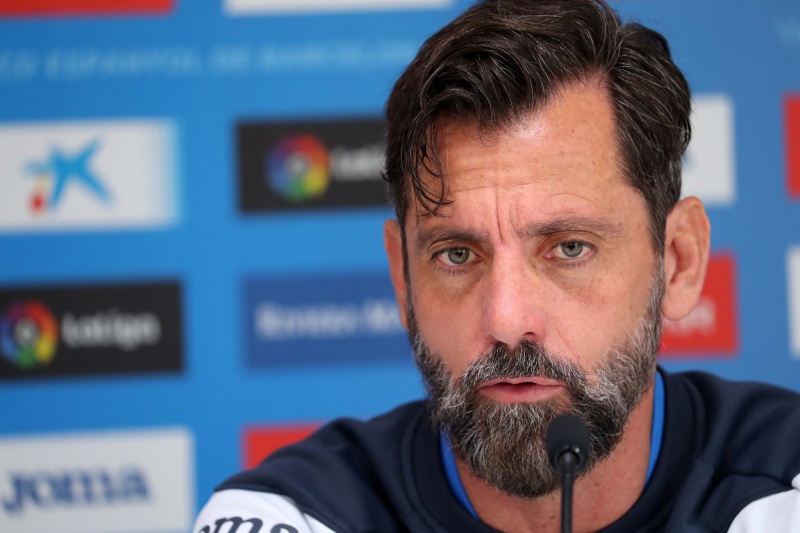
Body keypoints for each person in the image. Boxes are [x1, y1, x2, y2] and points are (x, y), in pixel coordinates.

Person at [194, 1, 800, 531]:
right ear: (402, 278)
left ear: (679, 262)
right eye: (457, 255)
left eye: (569, 248)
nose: (507, 321)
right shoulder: (298, 516)